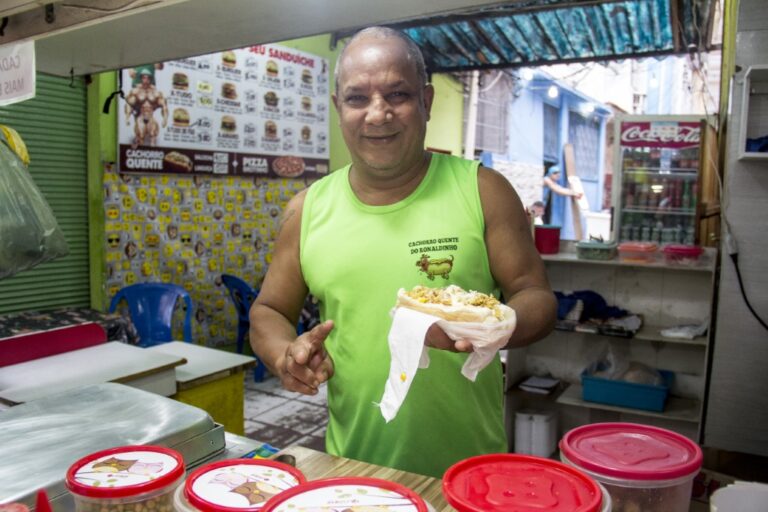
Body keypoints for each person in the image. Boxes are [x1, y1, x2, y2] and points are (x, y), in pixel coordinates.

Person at [249, 26, 556, 478]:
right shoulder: (307, 210)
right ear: (338, 108)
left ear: (426, 101)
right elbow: (269, 310)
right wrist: (284, 355)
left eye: (398, 94)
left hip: (469, 475)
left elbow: (537, 296)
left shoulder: (482, 190)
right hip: (353, 470)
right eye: (357, 99)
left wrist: (501, 324)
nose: (378, 114)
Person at [124, 66, 168, 147]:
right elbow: (128, 103)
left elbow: (164, 105)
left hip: (151, 118)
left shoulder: (155, 92)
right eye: (144, 78)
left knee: (153, 136)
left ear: (150, 79)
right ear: (141, 78)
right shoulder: (136, 91)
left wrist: (165, 119)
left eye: (148, 78)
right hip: (141, 117)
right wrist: (127, 117)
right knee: (141, 136)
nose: (146, 80)